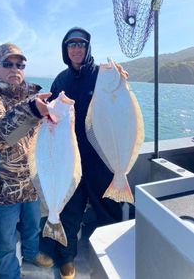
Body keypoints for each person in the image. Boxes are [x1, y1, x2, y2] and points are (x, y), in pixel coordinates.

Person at [40, 27, 129, 279]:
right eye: (71, 45)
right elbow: (51, 115)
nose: (76, 49)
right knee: (70, 206)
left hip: (100, 155)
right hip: (69, 155)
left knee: (109, 204)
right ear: (65, 50)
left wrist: (121, 79)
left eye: (81, 44)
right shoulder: (60, 80)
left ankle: (118, 251)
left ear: (88, 48)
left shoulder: (103, 75)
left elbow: (120, 101)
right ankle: (66, 258)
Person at [0, 43, 54, 279]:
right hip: (3, 189)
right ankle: (10, 275)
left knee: (32, 225)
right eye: (7, 63)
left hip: (32, 184)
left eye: (20, 64)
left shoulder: (32, 96)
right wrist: (32, 111)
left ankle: (31, 252)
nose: (14, 68)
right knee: (5, 240)